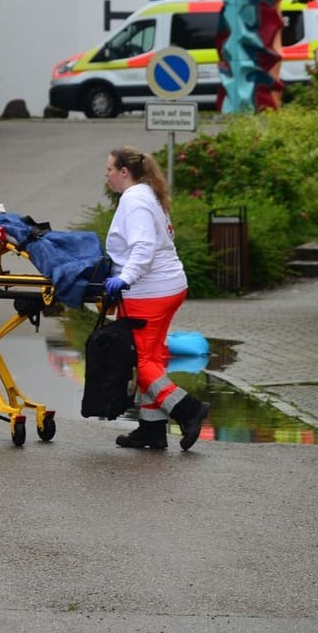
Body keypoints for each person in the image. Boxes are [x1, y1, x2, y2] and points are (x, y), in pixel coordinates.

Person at [102, 145, 210, 451]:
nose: (106, 174)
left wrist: (125, 277)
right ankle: (151, 429)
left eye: (110, 168)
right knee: (153, 357)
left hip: (148, 292)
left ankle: (187, 409)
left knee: (139, 359)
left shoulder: (134, 200)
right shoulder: (147, 195)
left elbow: (144, 247)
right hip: (167, 287)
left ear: (125, 172)